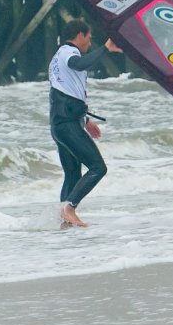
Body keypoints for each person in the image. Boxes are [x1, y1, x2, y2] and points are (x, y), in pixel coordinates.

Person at [49, 19, 122, 227]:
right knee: (98, 167)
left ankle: (62, 219)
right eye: (89, 38)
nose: (89, 43)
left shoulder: (57, 57)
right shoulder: (67, 53)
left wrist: (86, 120)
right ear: (80, 35)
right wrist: (106, 48)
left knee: (73, 173)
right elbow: (79, 64)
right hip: (67, 125)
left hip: (61, 124)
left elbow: (65, 93)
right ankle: (69, 208)